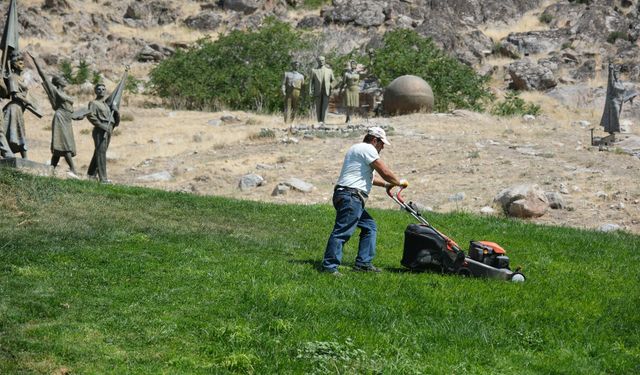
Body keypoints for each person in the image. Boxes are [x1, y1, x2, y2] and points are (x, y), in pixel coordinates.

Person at [322, 126, 408, 276]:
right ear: (375, 140)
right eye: (382, 144)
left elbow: (370, 178)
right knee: (342, 232)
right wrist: (399, 182)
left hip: (345, 195)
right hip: (351, 197)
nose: (383, 148)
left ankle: (363, 263)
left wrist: (388, 185)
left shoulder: (357, 149)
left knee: (369, 226)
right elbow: (385, 172)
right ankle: (329, 266)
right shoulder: (368, 149)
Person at [29, 53, 79, 177]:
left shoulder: (65, 93)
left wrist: (78, 115)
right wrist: (35, 61)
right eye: (62, 79)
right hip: (60, 117)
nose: (64, 80)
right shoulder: (55, 91)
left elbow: (70, 109)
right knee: (64, 143)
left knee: (60, 144)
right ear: (58, 82)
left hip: (67, 119)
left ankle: (51, 169)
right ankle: (73, 169)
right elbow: (44, 76)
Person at [2, 53, 39, 159]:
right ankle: (23, 158)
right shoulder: (12, 78)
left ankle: (24, 158)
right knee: (16, 132)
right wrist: (28, 101)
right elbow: (15, 94)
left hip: (20, 109)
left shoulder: (20, 78)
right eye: (20, 63)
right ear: (14, 64)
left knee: (18, 131)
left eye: (23, 63)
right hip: (14, 109)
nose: (23, 65)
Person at [86, 83, 115, 183]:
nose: (101, 91)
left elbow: (113, 119)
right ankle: (103, 178)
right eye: (99, 89)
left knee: (99, 152)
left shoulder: (106, 105)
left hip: (108, 129)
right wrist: (101, 125)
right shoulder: (94, 103)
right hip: (100, 130)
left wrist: (116, 112)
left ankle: (91, 174)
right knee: (101, 153)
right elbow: (90, 116)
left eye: (103, 89)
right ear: (95, 91)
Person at [310, 56, 335, 125]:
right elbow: (311, 82)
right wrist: (310, 90)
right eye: (320, 61)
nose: (321, 62)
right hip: (317, 90)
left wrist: (331, 86)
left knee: (325, 106)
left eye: (323, 60)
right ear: (317, 61)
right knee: (318, 106)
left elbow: (333, 80)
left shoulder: (329, 70)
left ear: (324, 61)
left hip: (326, 91)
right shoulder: (314, 71)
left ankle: (324, 121)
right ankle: (319, 121)